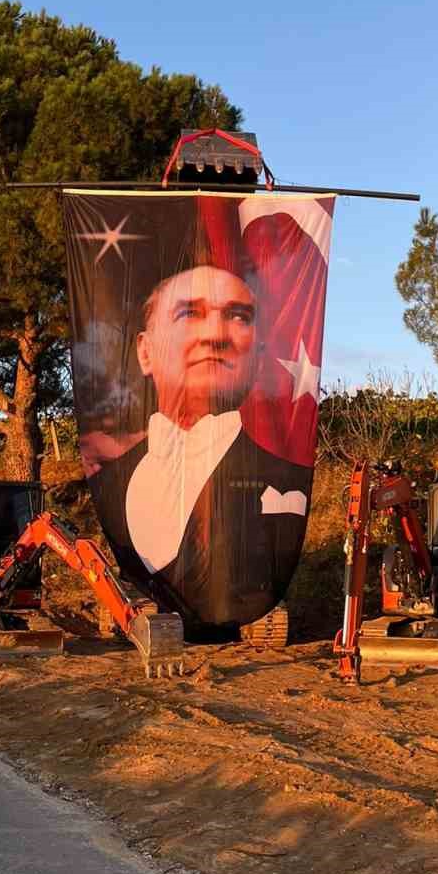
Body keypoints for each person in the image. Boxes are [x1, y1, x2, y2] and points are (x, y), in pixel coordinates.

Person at [86, 264, 312, 629]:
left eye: (238, 316)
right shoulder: (108, 481)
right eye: (190, 313)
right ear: (145, 351)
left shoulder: (289, 478)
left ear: (258, 356)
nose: (215, 335)